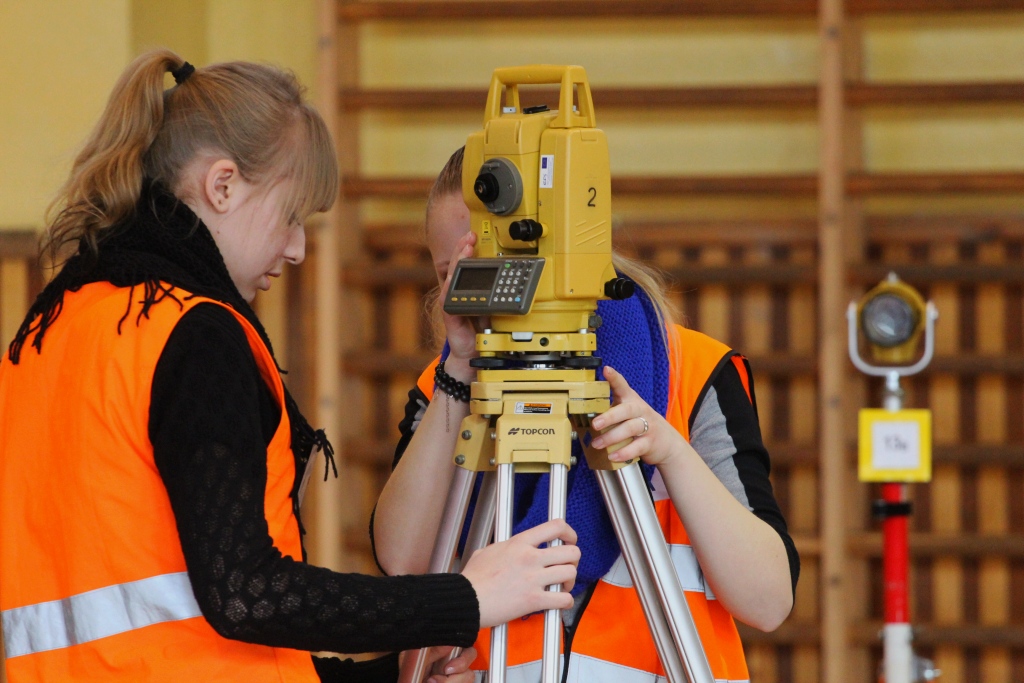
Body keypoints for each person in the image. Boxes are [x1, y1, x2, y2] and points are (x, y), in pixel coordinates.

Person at [0, 52, 580, 683]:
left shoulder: (52, 325)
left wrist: (384, 676)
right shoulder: (193, 335)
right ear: (223, 186)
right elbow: (246, 594)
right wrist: (465, 599)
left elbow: (183, 623)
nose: (299, 248)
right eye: (291, 215)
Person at [372, 148, 801, 682]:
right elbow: (405, 563)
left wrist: (669, 451)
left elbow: (767, 600)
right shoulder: (447, 386)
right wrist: (459, 371)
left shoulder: (694, 371)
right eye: (456, 273)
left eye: (506, 263)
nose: (490, 289)